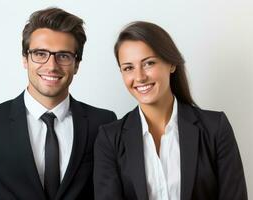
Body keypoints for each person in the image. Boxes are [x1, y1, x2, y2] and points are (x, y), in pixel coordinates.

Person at [0, 7, 116, 200]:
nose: (51, 66)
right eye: (40, 54)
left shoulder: (103, 123)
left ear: (77, 64)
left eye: (63, 56)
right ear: (25, 59)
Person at [94, 21, 247, 200]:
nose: (139, 77)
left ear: (172, 64)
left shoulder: (215, 128)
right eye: (128, 68)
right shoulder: (109, 139)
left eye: (149, 63)